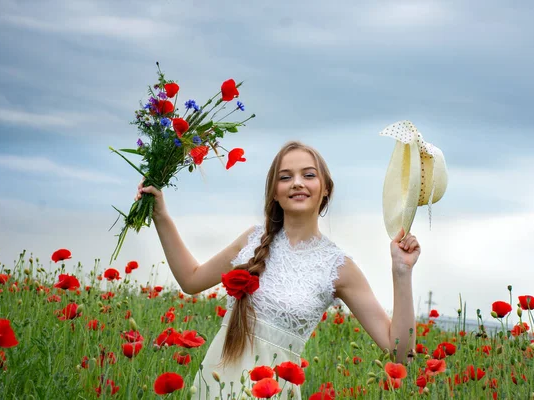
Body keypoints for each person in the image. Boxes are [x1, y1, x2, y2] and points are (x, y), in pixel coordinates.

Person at [136, 141, 420, 399]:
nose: (297, 183)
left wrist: (401, 273)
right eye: (285, 177)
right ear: (274, 192)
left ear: (326, 190)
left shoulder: (339, 267)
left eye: (308, 175)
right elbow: (191, 279)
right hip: (215, 386)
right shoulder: (251, 240)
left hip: (273, 393)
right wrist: (161, 215)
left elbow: (399, 352)